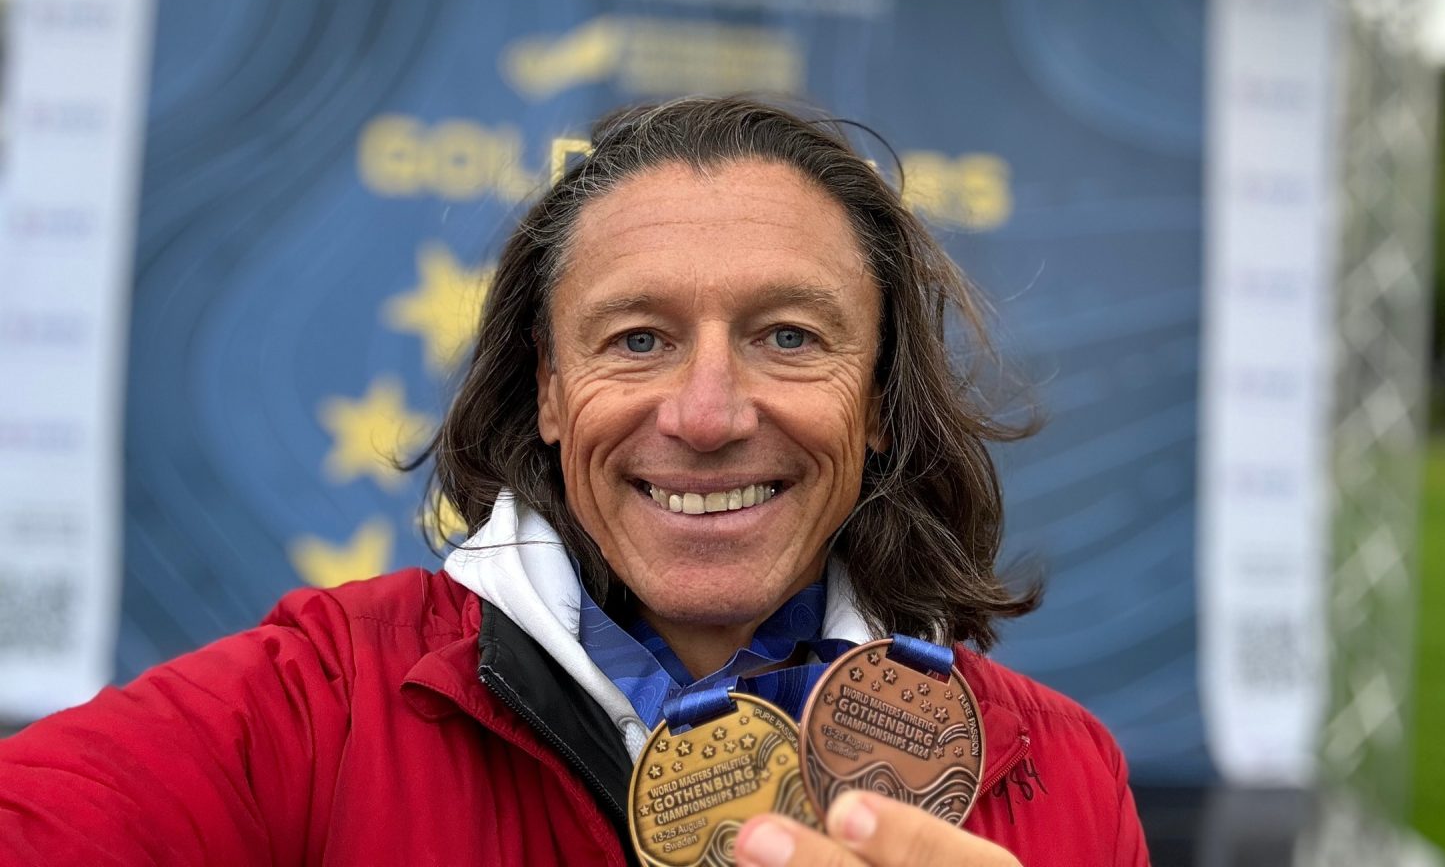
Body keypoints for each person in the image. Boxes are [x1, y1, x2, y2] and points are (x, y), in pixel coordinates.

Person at [0, 97, 1149, 866]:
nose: (705, 414)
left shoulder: (1053, 779)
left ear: (883, 404)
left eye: (790, 337)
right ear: (549, 393)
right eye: (636, 340)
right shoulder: (326, 704)